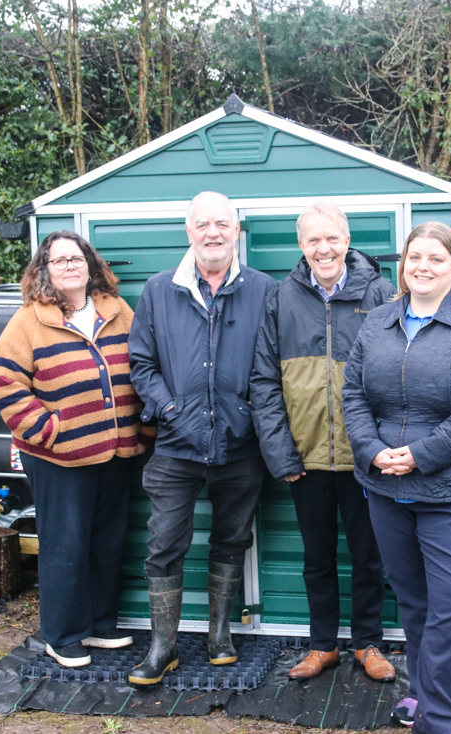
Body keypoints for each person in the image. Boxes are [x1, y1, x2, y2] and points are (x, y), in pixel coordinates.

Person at [341, 221, 451, 733]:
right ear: (403, 265)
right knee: (413, 599)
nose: (423, 267)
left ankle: (439, 720)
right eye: (415, 257)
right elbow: (353, 395)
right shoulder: (378, 323)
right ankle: (422, 692)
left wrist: (421, 454)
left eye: (436, 259)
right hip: (387, 489)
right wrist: (373, 452)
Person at [127, 191, 277, 685]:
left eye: (222, 224)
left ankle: (218, 635)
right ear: (188, 232)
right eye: (202, 225)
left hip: (240, 445)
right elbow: (141, 364)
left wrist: (251, 413)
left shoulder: (263, 290)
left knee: (232, 539)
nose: (213, 233)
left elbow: (275, 365)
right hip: (175, 445)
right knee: (164, 543)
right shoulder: (157, 290)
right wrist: (169, 409)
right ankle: (162, 646)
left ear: (237, 230)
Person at [0, 230, 154, 668]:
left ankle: (99, 624)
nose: (69, 266)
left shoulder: (117, 313)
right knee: (65, 544)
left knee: (106, 541)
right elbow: (4, 383)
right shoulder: (29, 321)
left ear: (90, 264)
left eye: (75, 258)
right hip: (58, 455)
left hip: (115, 450)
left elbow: (142, 366)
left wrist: (144, 427)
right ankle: (62, 635)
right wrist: (48, 430)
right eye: (58, 260)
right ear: (44, 270)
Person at [251, 201, 396, 682]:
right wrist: (280, 452)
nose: (323, 248)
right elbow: (264, 381)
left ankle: (368, 643)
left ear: (347, 240)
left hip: (364, 456)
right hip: (305, 456)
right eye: (313, 240)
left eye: (331, 237)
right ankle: (322, 645)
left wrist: (381, 448)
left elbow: (399, 375)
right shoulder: (281, 298)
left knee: (368, 555)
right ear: (301, 246)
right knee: (316, 557)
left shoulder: (380, 293)